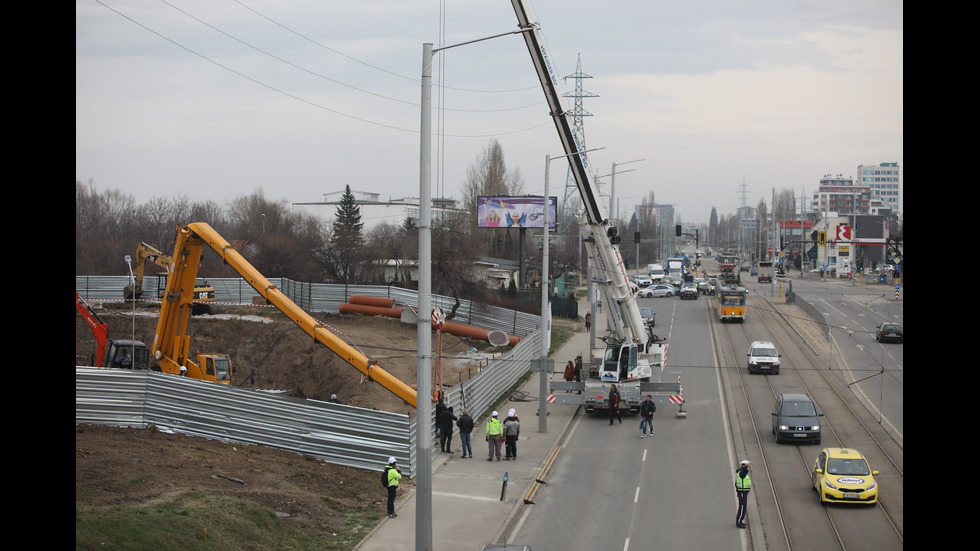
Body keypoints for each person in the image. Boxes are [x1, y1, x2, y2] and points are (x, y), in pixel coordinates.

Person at [735, 459, 752, 528]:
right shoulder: (741, 473)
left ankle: (740, 521)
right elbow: (743, 473)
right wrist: (745, 467)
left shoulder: (740, 472)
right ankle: (739, 522)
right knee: (742, 507)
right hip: (742, 492)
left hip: (743, 492)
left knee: (743, 507)